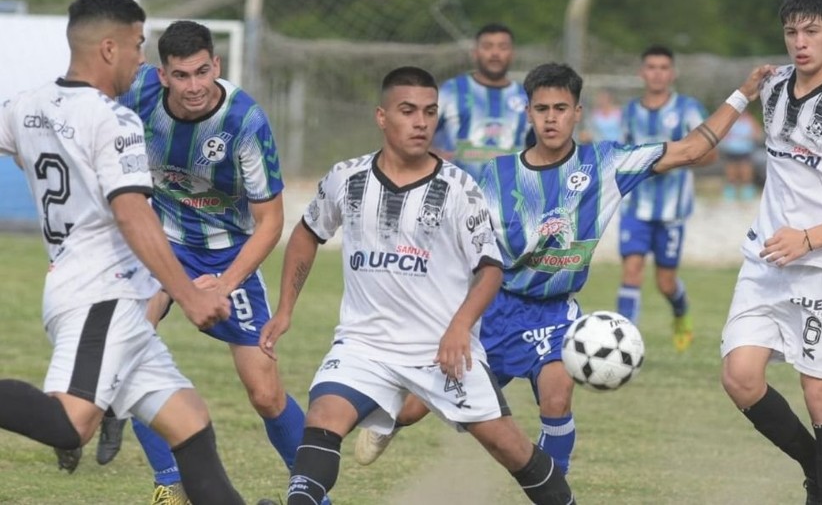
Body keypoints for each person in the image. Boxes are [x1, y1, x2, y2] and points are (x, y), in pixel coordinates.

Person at [353, 61, 773, 477]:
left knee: (557, 396)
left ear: (577, 113)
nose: (551, 118)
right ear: (528, 113)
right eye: (541, 109)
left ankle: (553, 487)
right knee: (414, 409)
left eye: (560, 108)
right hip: (494, 311)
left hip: (555, 313)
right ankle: (389, 418)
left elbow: (691, 148)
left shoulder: (606, 165)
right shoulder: (495, 176)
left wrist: (744, 94)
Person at [270, 66, 577, 505]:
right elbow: (306, 233)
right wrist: (285, 309)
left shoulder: (458, 189)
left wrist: (459, 328)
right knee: (322, 419)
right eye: (408, 111)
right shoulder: (347, 178)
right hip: (365, 344)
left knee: (509, 447)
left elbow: (490, 269)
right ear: (382, 116)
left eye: (430, 112)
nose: (420, 122)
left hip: (441, 351)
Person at [0, 0, 255, 505]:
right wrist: (188, 295)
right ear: (111, 48)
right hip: (103, 295)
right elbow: (133, 213)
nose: (144, 59)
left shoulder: (25, 107)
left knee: (190, 425)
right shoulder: (115, 121)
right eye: (139, 45)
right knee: (72, 426)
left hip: (95, 294)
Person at [62, 20, 312, 505]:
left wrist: (223, 284)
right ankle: (168, 482)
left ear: (216, 66)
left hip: (228, 252)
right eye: (181, 75)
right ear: (163, 76)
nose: (194, 86)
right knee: (126, 346)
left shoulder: (246, 123)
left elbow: (270, 223)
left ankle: (312, 491)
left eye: (202, 72)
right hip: (161, 241)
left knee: (264, 392)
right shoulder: (135, 95)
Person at [720, 0, 822, 505]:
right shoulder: (774, 86)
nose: (800, 42)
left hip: (821, 267)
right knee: (739, 377)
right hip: (764, 260)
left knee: (820, 396)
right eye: (791, 32)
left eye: (812, 31)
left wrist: (808, 238)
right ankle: (821, 472)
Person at [616, 45, 716, 351]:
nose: (657, 73)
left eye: (663, 67)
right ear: (641, 72)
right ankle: (623, 344)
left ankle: (681, 313)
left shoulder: (687, 109)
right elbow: (619, 154)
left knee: (665, 283)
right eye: (651, 67)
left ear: (672, 73)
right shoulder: (630, 112)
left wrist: (675, 159)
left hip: (672, 212)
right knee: (632, 270)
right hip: (635, 208)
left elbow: (710, 154)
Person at [432, 22, 532, 180]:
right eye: (487, 46)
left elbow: (540, 146)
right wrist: (431, 154)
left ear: (512, 54)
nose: (495, 53)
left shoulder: (526, 97)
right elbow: (420, 130)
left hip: (510, 196)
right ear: (475, 53)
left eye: (503, 47)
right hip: (456, 196)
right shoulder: (451, 90)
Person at [720, 111, 762, 201]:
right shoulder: (729, 120)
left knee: (746, 170)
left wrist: (752, 137)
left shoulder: (750, 120)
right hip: (731, 149)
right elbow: (722, 133)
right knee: (731, 170)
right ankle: (731, 191)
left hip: (745, 150)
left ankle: (747, 190)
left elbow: (758, 133)